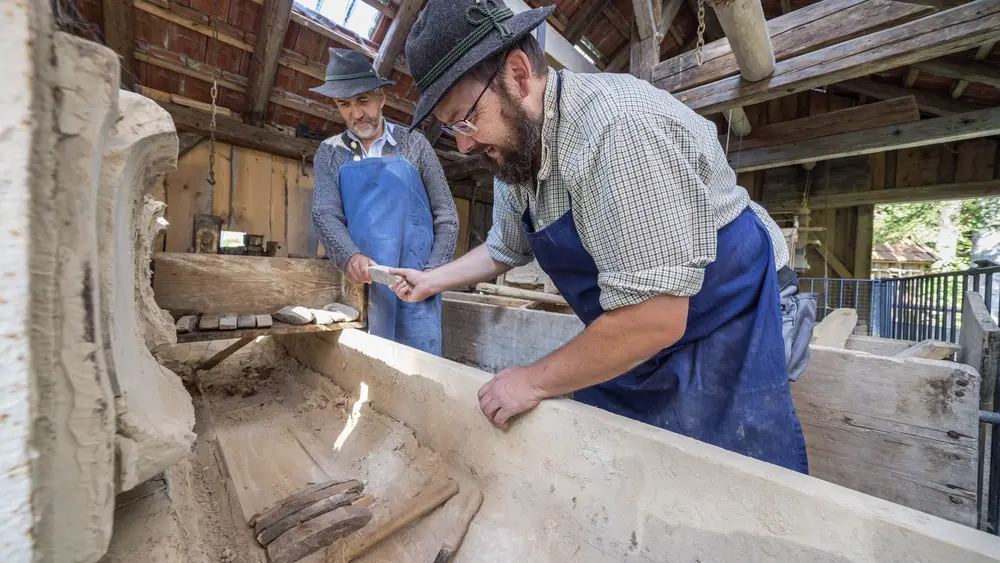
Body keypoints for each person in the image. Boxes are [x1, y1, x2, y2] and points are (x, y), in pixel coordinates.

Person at [390, 0, 810, 473]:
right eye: (451, 128)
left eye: (465, 118)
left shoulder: (616, 129)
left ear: (518, 72)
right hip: (641, 320)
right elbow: (504, 248)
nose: (463, 143)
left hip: (725, 314)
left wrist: (530, 381)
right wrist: (431, 281)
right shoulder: (515, 152)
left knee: (724, 476)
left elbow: (655, 319)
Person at [310, 48, 458, 355]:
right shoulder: (330, 152)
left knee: (420, 367)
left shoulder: (414, 144)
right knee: (369, 369)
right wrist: (349, 256)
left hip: (417, 283)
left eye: (363, 100)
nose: (356, 113)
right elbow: (325, 213)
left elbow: (446, 215)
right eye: (344, 104)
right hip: (362, 285)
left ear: (381, 98)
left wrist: (433, 273)